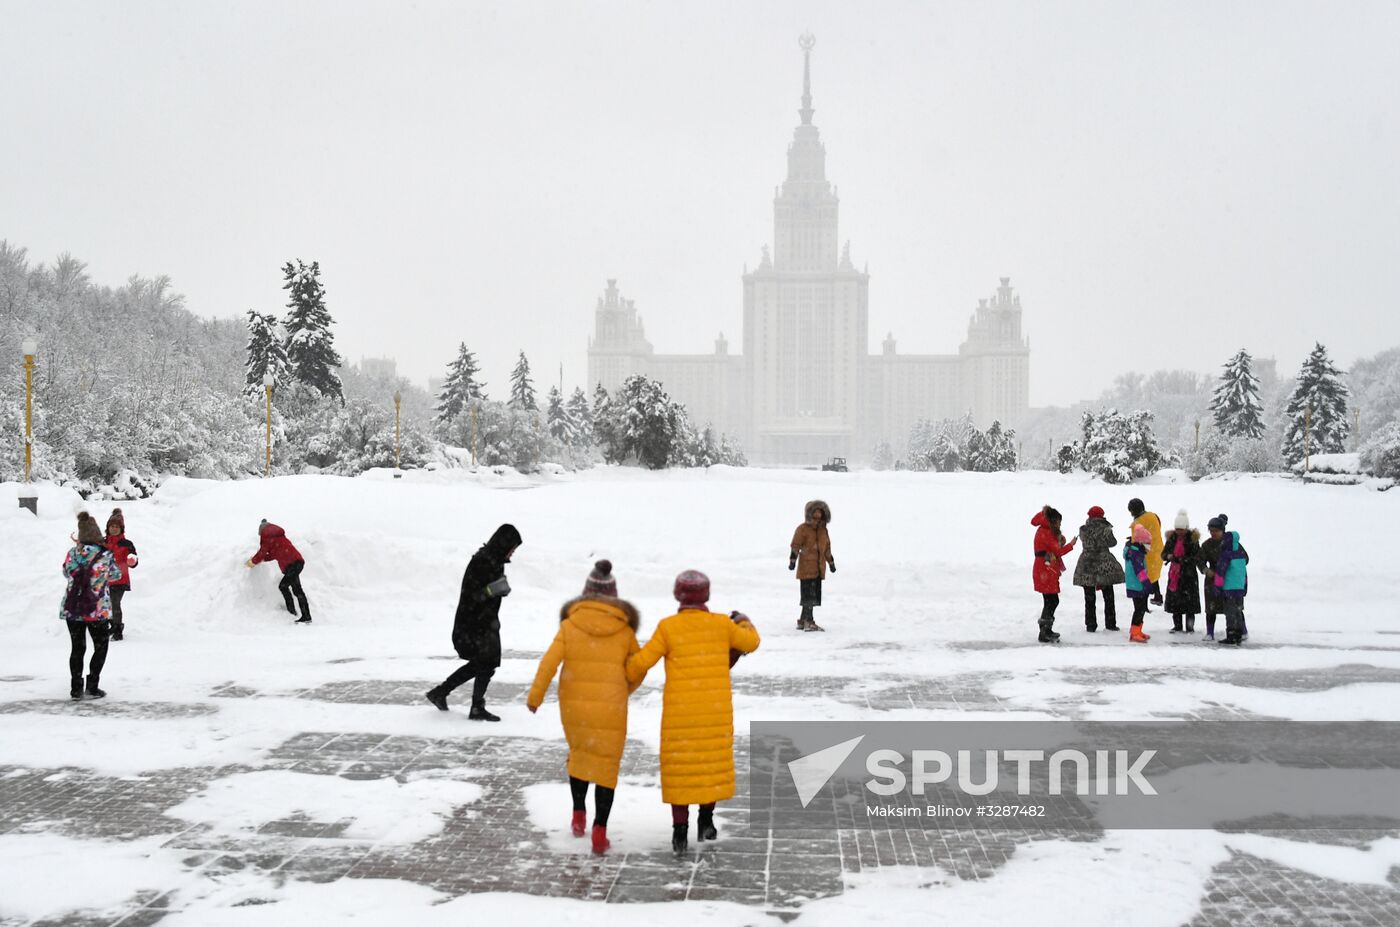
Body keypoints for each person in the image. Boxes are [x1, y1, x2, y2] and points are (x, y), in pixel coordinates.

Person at [625, 570, 760, 855]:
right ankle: (706, 822)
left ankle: (679, 831)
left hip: (680, 715)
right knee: (709, 766)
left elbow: (639, 664)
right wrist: (745, 621)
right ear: (706, 596)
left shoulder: (667, 628)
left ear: (678, 595)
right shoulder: (722, 625)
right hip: (714, 713)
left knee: (682, 771)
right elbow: (751, 642)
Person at [526, 560, 641, 855]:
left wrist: (536, 696)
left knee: (581, 755)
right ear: (614, 597)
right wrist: (624, 688)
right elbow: (638, 668)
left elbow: (549, 662)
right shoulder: (625, 631)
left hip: (574, 705)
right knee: (606, 765)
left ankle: (578, 815)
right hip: (611, 707)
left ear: (585, 594)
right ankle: (600, 832)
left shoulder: (570, 625)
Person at [425, 523, 523, 720]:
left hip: (485, 622)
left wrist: (499, 589)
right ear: (503, 544)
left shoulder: (495, 561)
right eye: (512, 548)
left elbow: (490, 590)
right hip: (472, 623)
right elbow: (472, 595)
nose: (512, 553)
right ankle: (473, 706)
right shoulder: (482, 561)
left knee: (484, 664)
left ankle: (442, 693)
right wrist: (492, 590)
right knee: (485, 663)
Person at [61, 512, 122, 699]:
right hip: (97, 610)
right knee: (101, 646)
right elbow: (116, 576)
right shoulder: (105, 555)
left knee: (77, 648)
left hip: (73, 608)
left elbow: (66, 572)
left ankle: (76, 688)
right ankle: (93, 685)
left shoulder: (72, 553)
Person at [246, 519, 311, 623]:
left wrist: (252, 562)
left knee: (283, 586)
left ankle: (293, 612)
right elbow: (273, 554)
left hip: (292, 565)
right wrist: (262, 559)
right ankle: (304, 615)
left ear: (262, 531)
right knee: (297, 590)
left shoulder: (267, 537)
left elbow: (262, 553)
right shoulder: (279, 537)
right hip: (297, 562)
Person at [1073, 505, 1124, 632]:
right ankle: (1110, 623)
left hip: (1087, 563)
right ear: (1101, 515)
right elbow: (1113, 543)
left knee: (1089, 597)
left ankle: (1090, 625)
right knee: (1108, 596)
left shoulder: (1083, 529)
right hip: (1103, 563)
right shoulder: (1105, 528)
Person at [1031, 506, 1077, 643]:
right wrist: (1071, 544)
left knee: (1049, 600)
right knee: (1052, 600)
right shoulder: (1046, 532)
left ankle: (1046, 629)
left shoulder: (1043, 530)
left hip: (1044, 568)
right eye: (1059, 522)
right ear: (1053, 520)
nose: (1060, 525)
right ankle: (1044, 631)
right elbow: (1058, 551)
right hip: (1045, 569)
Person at [789, 500, 835, 631]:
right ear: (809, 513)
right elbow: (795, 545)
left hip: (818, 569)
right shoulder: (803, 529)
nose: (818, 514)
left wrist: (831, 562)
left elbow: (827, 548)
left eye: (820, 511)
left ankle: (803, 620)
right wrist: (792, 560)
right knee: (808, 596)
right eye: (815, 511)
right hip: (806, 569)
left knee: (813, 596)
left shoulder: (823, 531)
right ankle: (809, 621)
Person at [1210, 514, 1250, 646]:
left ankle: (1231, 635)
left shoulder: (1226, 553)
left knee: (1230, 612)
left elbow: (1221, 572)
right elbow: (1244, 572)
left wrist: (1217, 587)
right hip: (1239, 588)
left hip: (1228, 588)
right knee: (1237, 611)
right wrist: (1244, 587)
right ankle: (1238, 633)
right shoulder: (1240, 553)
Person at [1162, 509, 1203, 634]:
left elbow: (1196, 557)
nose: (1179, 532)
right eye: (1177, 529)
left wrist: (1181, 560)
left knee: (1189, 604)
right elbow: (1163, 553)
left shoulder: (1193, 540)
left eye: (1181, 529)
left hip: (1188, 575)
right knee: (1176, 603)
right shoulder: (1172, 539)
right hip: (1175, 575)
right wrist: (1168, 556)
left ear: (1186, 528)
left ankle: (1190, 626)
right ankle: (1177, 625)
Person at [103, 508, 138, 641]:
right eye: (112, 526)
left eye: (117, 526)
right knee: (106, 604)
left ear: (121, 528)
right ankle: (110, 626)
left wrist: (132, 561)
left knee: (114, 603)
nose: (114, 529)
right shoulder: (102, 542)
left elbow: (134, 558)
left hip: (120, 580)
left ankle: (118, 629)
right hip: (104, 580)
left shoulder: (126, 544)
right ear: (108, 528)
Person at [1200, 514, 1236, 641]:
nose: (1213, 533)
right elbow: (1200, 560)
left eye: (1216, 531)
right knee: (1211, 608)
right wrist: (1205, 569)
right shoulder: (1206, 545)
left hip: (1229, 579)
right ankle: (1210, 632)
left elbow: (1243, 559)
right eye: (1211, 531)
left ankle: (1240, 631)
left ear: (1222, 530)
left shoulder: (1231, 543)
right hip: (1212, 579)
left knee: (1233, 608)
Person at [1128, 498, 1165, 607]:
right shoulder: (1153, 515)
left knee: (1144, 577)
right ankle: (1157, 596)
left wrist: (1131, 543)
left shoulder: (1138, 522)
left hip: (1146, 552)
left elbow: (1136, 541)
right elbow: (1155, 529)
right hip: (1158, 548)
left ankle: (1144, 606)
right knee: (1153, 574)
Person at [1124, 522, 1153, 642]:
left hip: (1135, 585)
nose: (1149, 547)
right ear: (1141, 543)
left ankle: (1137, 630)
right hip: (1137, 585)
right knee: (1139, 609)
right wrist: (1147, 584)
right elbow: (1140, 571)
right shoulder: (1136, 554)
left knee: (1140, 609)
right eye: (1147, 544)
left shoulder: (1134, 551)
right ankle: (1135, 632)